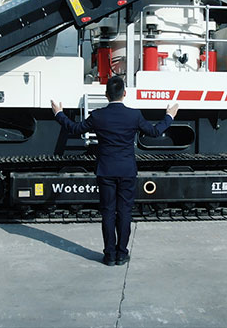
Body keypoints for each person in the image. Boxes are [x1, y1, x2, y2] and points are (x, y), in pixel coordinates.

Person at [51, 76, 179, 266]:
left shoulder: (98, 115)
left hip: (106, 171)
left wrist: (59, 114)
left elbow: (75, 129)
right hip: (127, 171)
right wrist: (169, 116)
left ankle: (109, 255)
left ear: (106, 95)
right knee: (124, 212)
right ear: (124, 93)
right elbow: (154, 132)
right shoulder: (134, 115)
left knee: (108, 213)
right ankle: (121, 254)